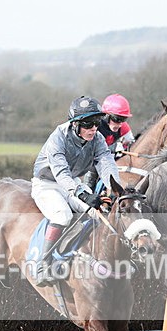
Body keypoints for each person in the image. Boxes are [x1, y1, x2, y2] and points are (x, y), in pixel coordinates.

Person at [31, 96, 121, 286]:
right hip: (47, 183)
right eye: (88, 124)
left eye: (97, 123)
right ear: (75, 124)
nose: (93, 128)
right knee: (62, 215)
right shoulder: (57, 138)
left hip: (72, 182)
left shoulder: (97, 138)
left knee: (98, 213)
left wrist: (115, 188)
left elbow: (106, 162)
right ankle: (42, 266)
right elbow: (61, 173)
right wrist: (82, 194)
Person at [83, 93, 135, 191]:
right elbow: (90, 149)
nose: (119, 124)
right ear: (106, 116)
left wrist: (125, 147)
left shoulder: (123, 127)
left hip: (110, 158)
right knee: (93, 168)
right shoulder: (94, 126)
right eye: (117, 119)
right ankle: (87, 191)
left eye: (123, 119)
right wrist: (114, 147)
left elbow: (132, 143)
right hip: (91, 159)